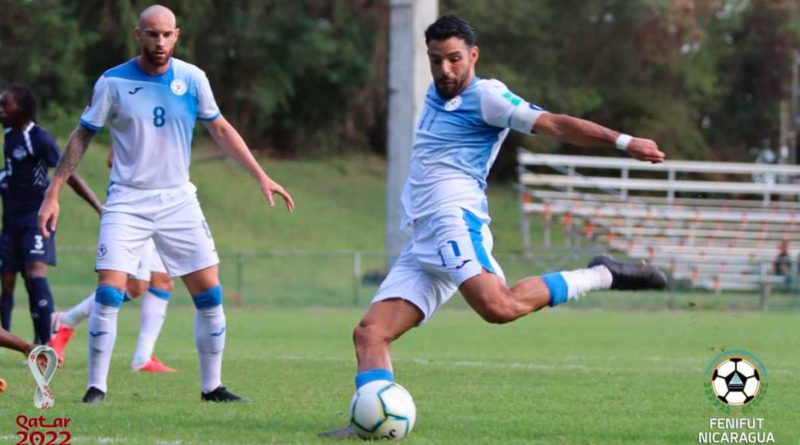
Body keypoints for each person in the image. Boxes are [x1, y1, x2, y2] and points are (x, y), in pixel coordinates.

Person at [321, 15, 667, 437]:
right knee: (370, 333)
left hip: (454, 223)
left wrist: (623, 142)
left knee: (498, 307)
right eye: (436, 60)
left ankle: (601, 274)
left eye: (454, 59)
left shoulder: (489, 96)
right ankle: (370, 425)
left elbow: (554, 124)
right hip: (424, 240)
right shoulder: (438, 91)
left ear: (473, 56)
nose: (445, 70)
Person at [37, 5, 294, 404]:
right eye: (152, 34)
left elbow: (221, 129)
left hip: (178, 200)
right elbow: (81, 136)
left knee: (210, 293)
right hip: (127, 200)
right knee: (110, 291)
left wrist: (261, 176)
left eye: (166, 35)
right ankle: (96, 388)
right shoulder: (113, 82)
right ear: (137, 34)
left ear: (178, 35)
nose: (159, 42)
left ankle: (212, 387)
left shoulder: (193, 79)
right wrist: (53, 193)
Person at [0, 85, 102, 345]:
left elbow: (67, 173)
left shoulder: (41, 139)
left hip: (36, 217)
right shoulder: (9, 134)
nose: (1, 110)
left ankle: (45, 343)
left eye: (5, 105)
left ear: (21, 109)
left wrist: (98, 206)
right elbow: (14, 172)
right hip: (11, 220)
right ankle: (8, 341)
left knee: (35, 274)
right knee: (7, 279)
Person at [50, 239, 176, 372]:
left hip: (162, 221)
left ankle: (142, 358)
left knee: (163, 281)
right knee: (135, 286)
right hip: (140, 222)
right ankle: (67, 320)